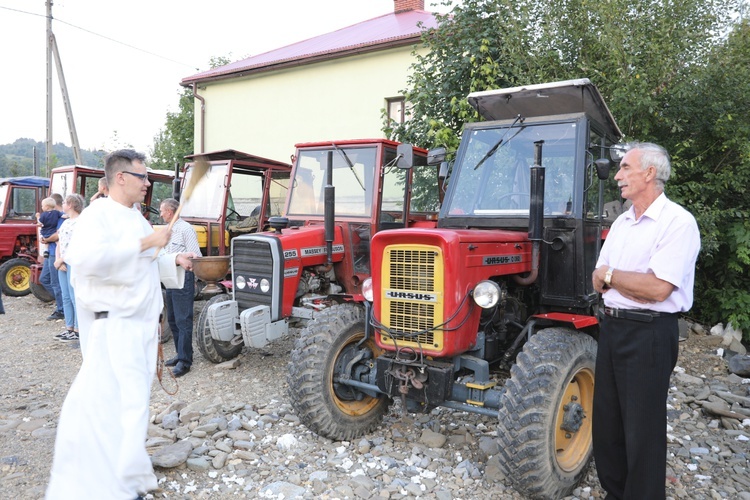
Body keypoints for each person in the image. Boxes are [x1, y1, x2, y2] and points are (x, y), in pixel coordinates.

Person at [46, 150, 197, 499]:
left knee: (134, 404)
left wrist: (175, 257)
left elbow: (146, 259)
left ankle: (129, 477)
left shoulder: (134, 217)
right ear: (121, 178)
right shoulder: (98, 216)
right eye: (143, 177)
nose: (148, 184)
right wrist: (149, 242)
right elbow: (86, 260)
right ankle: (109, 485)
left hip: (138, 328)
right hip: (115, 327)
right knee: (113, 404)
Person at [591, 142, 700, 499]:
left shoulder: (678, 223)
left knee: (642, 432)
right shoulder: (622, 222)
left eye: (625, 168)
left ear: (650, 173)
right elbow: (597, 277)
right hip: (613, 327)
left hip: (650, 334)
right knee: (607, 426)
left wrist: (613, 277)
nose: (618, 175)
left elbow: (656, 289)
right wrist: (619, 279)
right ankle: (616, 493)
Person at [159, 197, 201, 377]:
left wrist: (179, 258)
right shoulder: (167, 230)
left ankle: (185, 361)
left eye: (162, 211)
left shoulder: (186, 229)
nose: (160, 214)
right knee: (174, 319)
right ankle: (180, 353)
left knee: (184, 320)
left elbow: (195, 255)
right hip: (170, 278)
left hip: (183, 278)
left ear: (170, 211)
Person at [53, 194, 85, 343]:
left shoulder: (80, 222)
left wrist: (62, 259)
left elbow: (77, 245)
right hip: (62, 262)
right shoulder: (65, 222)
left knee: (74, 296)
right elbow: (60, 242)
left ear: (71, 204)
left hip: (73, 262)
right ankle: (69, 327)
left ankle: (78, 329)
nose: (62, 204)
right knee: (65, 296)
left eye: (65, 202)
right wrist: (57, 259)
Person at [39, 194, 65, 321]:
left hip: (56, 252)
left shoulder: (60, 216)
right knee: (44, 279)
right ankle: (62, 303)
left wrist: (46, 239)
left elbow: (58, 235)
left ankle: (62, 309)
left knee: (55, 282)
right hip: (50, 250)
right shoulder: (54, 216)